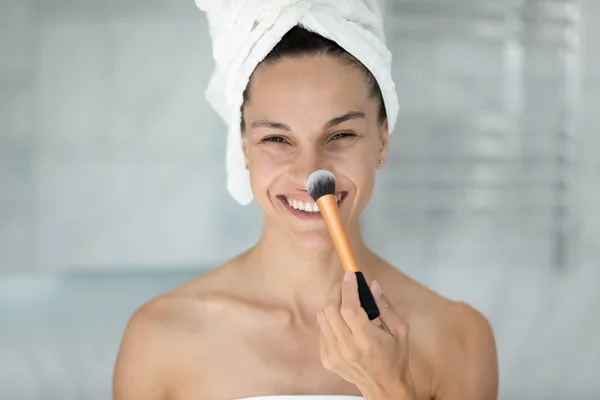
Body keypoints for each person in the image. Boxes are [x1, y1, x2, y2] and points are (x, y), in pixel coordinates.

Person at [113, 4, 498, 400]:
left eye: (341, 135)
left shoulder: (458, 338)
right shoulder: (159, 338)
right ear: (244, 148)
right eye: (277, 139)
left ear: (382, 141)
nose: (311, 171)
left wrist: (389, 387)